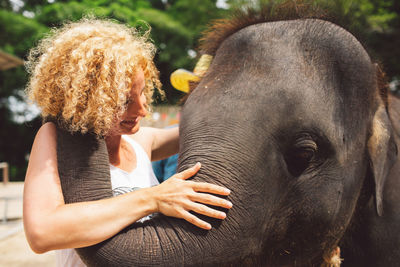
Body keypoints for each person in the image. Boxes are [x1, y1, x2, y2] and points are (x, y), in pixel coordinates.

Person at [23, 18, 232, 267]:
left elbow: (201, 127)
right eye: (123, 101)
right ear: (86, 100)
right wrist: (153, 199)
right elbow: (41, 233)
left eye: (142, 92)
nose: (142, 110)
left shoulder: (141, 141)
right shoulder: (52, 138)